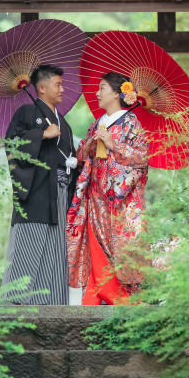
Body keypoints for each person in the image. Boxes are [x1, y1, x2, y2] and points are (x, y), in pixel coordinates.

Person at [0, 64, 81, 305]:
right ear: (42, 88)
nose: (62, 89)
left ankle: (52, 304)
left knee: (56, 247)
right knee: (29, 239)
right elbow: (12, 144)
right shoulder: (27, 112)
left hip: (60, 190)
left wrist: (80, 157)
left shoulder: (62, 122)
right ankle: (15, 301)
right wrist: (40, 135)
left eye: (62, 84)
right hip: (35, 191)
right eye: (58, 84)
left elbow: (68, 157)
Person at [67, 72, 150, 305]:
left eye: (102, 88)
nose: (97, 93)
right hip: (95, 199)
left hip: (119, 203)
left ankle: (123, 299)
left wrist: (114, 145)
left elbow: (142, 159)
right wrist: (88, 147)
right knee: (95, 252)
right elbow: (82, 156)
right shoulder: (97, 123)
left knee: (119, 253)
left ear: (116, 94)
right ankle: (94, 297)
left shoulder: (131, 123)